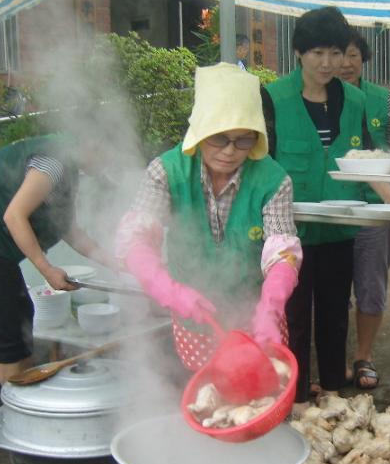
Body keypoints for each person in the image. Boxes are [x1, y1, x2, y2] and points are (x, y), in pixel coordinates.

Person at [115, 63, 301, 373]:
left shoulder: (274, 180)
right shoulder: (166, 171)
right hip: (194, 321)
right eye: (219, 137)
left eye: (244, 140)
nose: (230, 151)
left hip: (256, 322)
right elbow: (136, 238)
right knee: (210, 395)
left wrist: (270, 309)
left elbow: (282, 254)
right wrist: (167, 289)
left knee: (259, 393)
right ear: (200, 130)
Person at [260, 6, 369, 412]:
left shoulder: (354, 100)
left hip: (339, 230)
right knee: (294, 317)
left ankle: (333, 401)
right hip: (290, 235)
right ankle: (297, 399)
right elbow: (262, 164)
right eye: (317, 53)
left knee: (336, 316)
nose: (328, 63)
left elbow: (364, 161)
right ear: (299, 53)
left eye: (335, 53)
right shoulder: (272, 97)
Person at [0, 135, 120, 384]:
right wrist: (47, 269)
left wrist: (117, 263)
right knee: (6, 330)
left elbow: (69, 230)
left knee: (20, 315)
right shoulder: (53, 162)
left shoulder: (65, 168)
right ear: (91, 141)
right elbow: (14, 216)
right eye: (109, 153)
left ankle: (22, 389)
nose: (109, 162)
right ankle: (16, 408)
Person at [339, 30, 390, 389]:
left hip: (376, 209)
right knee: (330, 289)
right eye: (339, 55)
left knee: (371, 285)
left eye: (352, 55)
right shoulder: (319, 100)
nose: (344, 63)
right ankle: (333, 357)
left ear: (363, 59)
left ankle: (363, 356)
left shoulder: (383, 99)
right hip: (332, 209)